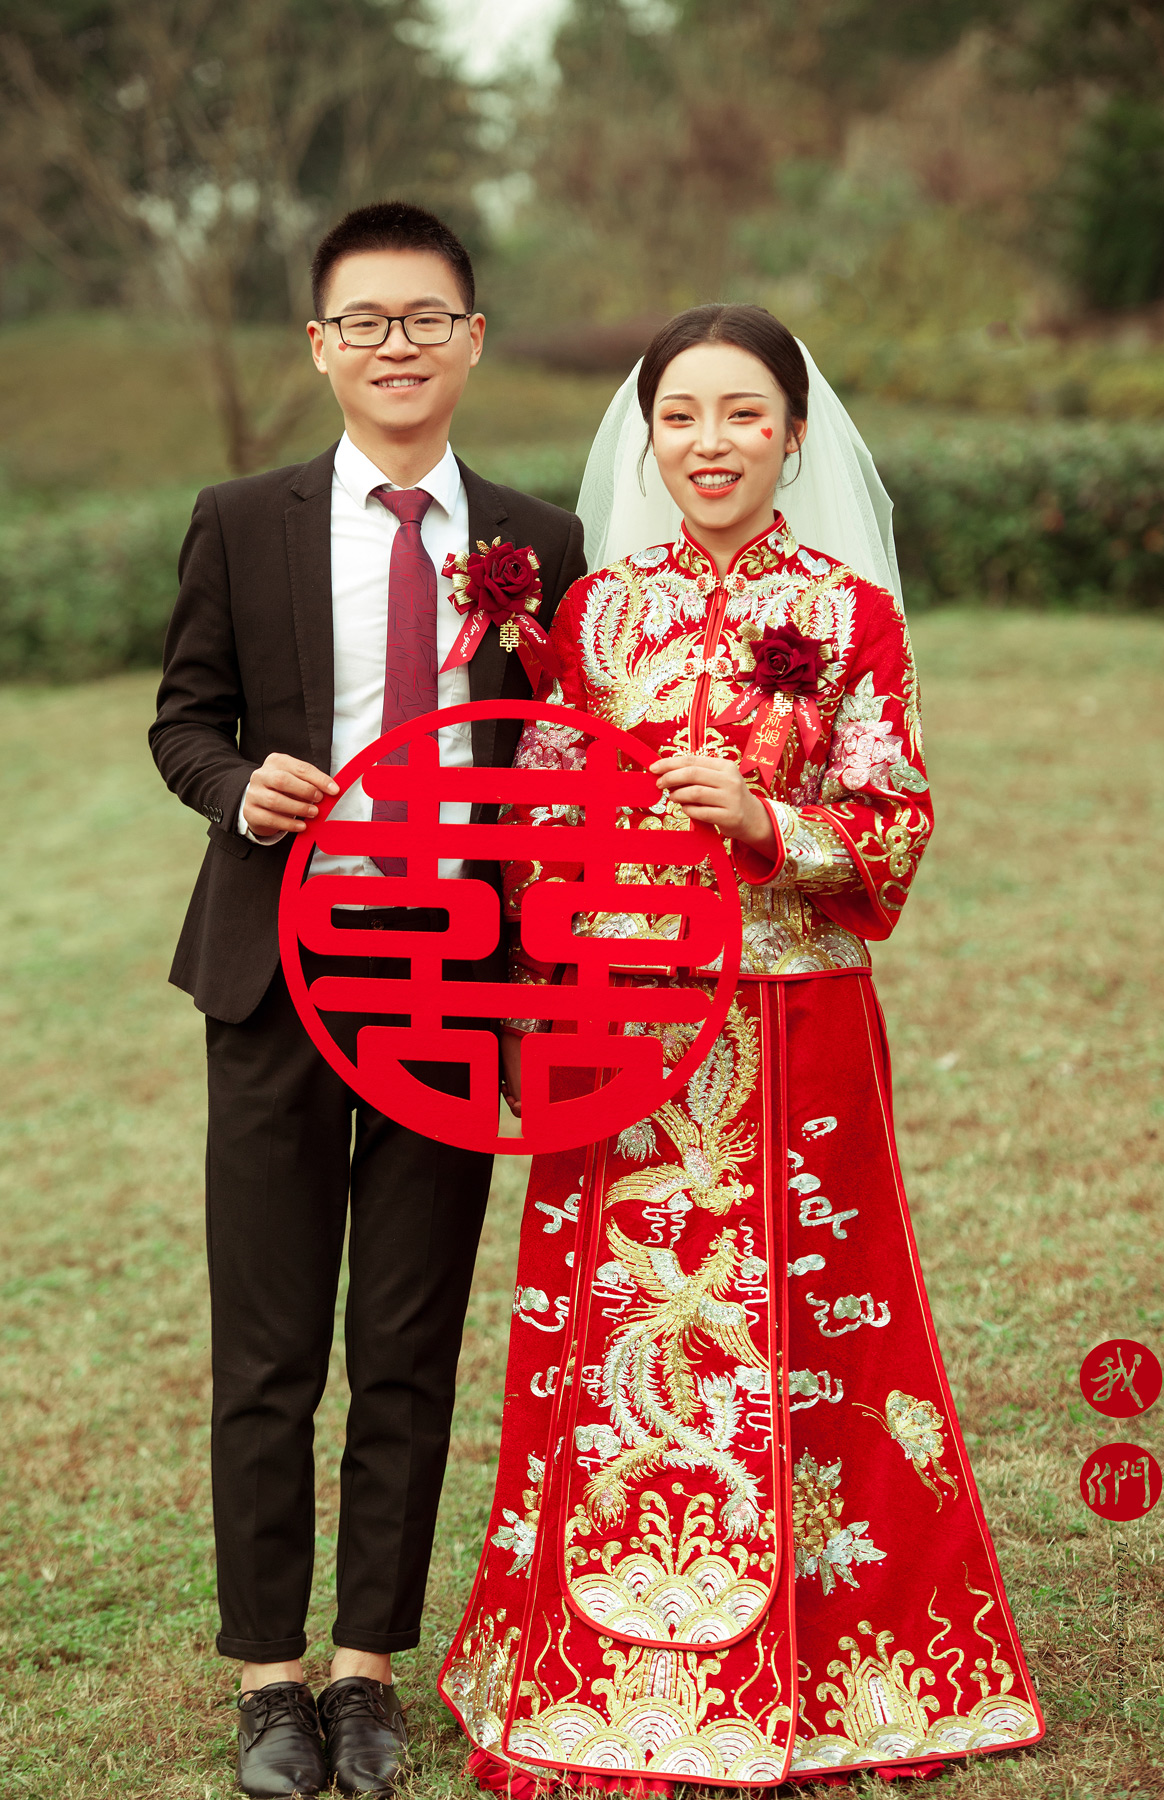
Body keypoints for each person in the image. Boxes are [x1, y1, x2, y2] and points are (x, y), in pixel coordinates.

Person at [439, 305, 1044, 1789]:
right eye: (682, 417)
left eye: (743, 415)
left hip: (795, 1024)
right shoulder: (596, 615)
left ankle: (845, 1667)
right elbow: (541, 820)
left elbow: (895, 821)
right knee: (613, 1331)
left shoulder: (852, 614)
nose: (711, 445)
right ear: (647, 436)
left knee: (820, 1326)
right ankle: (596, 1656)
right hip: (622, 1036)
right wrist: (570, 920)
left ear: (794, 433)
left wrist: (768, 821)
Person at [149, 201, 586, 1799]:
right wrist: (236, 788)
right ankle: (269, 1677)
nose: (396, 346)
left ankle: (367, 1673)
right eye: (366, 321)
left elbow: (561, 761)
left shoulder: (544, 541)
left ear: (472, 339)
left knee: (407, 1336)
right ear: (321, 346)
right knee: (268, 1342)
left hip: (453, 980)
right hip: (280, 970)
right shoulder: (239, 518)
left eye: (426, 318)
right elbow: (182, 718)